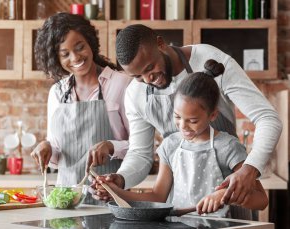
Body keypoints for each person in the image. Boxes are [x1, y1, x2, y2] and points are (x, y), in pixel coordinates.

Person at [92, 24, 282, 207]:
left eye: (150, 68)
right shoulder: (136, 93)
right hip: (181, 204)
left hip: (231, 195)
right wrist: (121, 179)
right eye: (138, 76)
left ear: (160, 43)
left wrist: (249, 170)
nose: (148, 79)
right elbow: (140, 154)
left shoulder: (209, 59)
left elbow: (268, 118)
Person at [97, 59, 268, 218]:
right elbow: (158, 196)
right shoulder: (170, 145)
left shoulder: (228, 147)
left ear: (213, 115)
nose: (183, 126)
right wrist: (115, 191)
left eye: (193, 121)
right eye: (177, 117)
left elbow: (261, 200)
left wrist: (225, 194)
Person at [31, 13, 131, 204]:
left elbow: (141, 149)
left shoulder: (121, 84)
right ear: (56, 59)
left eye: (80, 47)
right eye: (65, 54)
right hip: (66, 201)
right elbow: (57, 150)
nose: (75, 57)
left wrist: (111, 146)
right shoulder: (57, 92)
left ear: (90, 42)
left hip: (111, 197)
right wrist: (47, 147)